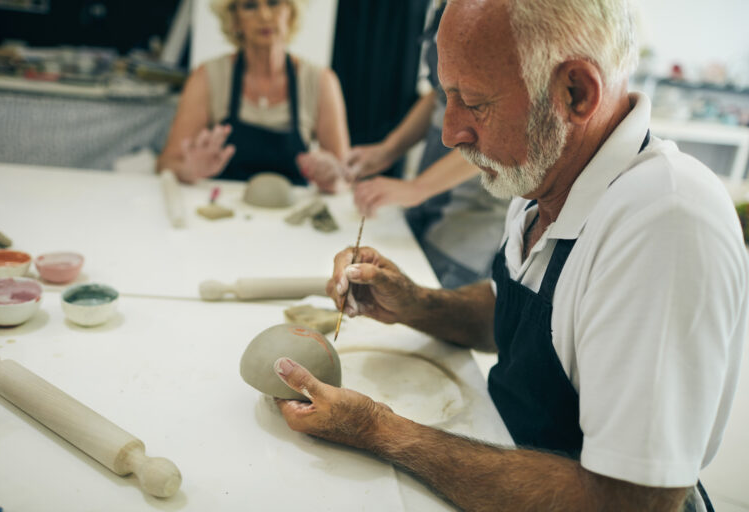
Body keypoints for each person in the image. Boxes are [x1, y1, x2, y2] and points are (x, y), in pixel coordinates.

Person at [272, 0, 749, 511]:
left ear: (576, 93)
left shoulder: (664, 222)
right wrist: (414, 303)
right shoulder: (541, 177)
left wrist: (379, 431)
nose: (450, 133)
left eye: (474, 103)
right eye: (447, 97)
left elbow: (632, 500)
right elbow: (521, 319)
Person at [346, 1, 509, 288]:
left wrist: (417, 188)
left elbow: (499, 130)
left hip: (468, 224)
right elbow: (439, 95)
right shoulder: (445, 8)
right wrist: (388, 150)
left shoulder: (501, 12)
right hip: (425, 207)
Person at [157, 0, 350, 193]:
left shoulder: (321, 81)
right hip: (222, 207)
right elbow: (166, 163)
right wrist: (189, 170)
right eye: (250, 6)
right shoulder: (207, 76)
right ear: (235, 19)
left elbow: (346, 177)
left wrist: (332, 179)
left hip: (293, 210)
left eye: (274, 3)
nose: (264, 16)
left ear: (291, 12)